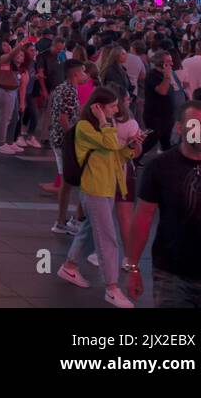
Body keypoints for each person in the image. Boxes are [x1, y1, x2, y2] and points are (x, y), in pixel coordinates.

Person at [126, 100, 201, 307]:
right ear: (180, 128)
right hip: (173, 277)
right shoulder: (160, 167)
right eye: (197, 124)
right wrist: (134, 267)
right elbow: (142, 220)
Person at [55, 86, 138, 308]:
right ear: (99, 107)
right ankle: (112, 288)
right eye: (111, 106)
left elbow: (114, 153)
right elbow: (110, 143)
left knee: (90, 230)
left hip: (107, 186)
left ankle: (69, 267)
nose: (116, 109)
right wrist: (103, 121)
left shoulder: (106, 126)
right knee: (108, 238)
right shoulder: (84, 127)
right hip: (94, 189)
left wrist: (131, 148)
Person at [48, 60, 86, 235]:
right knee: (69, 180)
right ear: (75, 74)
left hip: (58, 137)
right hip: (65, 140)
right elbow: (64, 118)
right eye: (83, 72)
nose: (85, 75)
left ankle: (61, 220)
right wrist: (73, 138)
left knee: (66, 180)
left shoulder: (61, 88)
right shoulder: (69, 90)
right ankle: (64, 221)